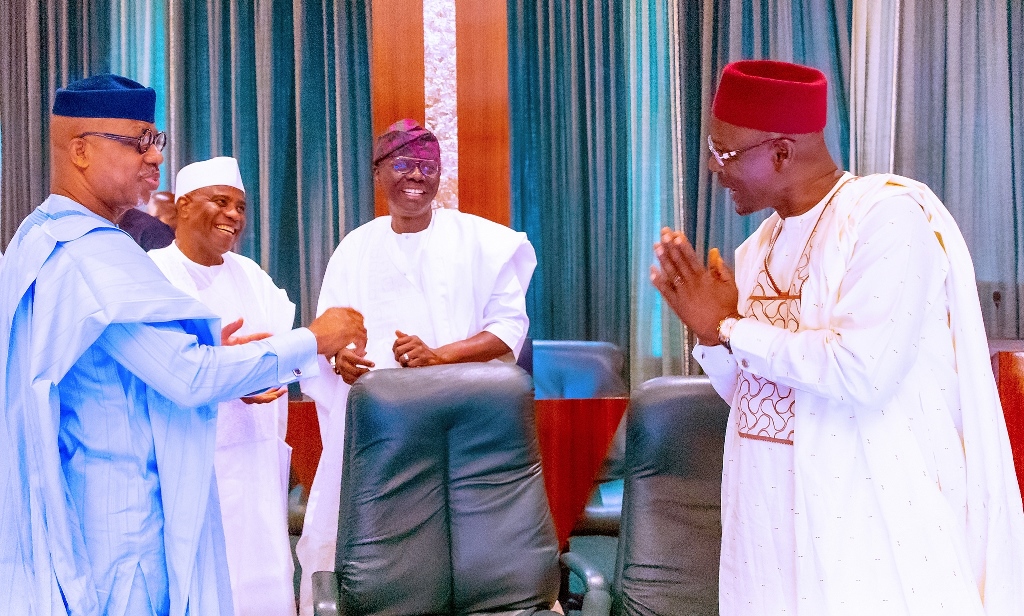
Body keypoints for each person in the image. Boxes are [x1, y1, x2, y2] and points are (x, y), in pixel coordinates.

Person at [651, 59, 1024, 614]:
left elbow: (861, 370)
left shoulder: (887, 217)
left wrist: (731, 325)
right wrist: (713, 339)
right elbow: (758, 398)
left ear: (780, 151)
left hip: (867, 509)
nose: (712, 167)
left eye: (724, 152)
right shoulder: (758, 247)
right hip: (767, 516)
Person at [0, 74, 366, 616]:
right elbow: (191, 378)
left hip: (80, 506)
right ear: (80, 150)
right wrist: (315, 338)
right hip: (123, 534)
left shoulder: (38, 235)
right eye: (138, 141)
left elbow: (98, 362)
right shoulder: (96, 255)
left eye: (157, 142)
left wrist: (201, 346)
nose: (153, 159)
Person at [294, 119, 537, 615]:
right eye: (402, 164)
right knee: (366, 554)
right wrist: (341, 359)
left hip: (459, 434)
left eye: (428, 166)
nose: (416, 177)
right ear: (379, 172)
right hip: (374, 436)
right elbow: (327, 337)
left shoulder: (481, 240)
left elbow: (509, 330)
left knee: (461, 554)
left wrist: (438, 358)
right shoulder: (354, 247)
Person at [149, 157, 296, 615]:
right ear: (183, 206)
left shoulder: (250, 274)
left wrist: (324, 356)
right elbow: (158, 368)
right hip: (190, 465)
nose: (234, 215)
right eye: (221, 201)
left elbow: (289, 349)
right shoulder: (154, 274)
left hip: (254, 461)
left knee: (264, 580)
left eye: (241, 206)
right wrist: (225, 367)